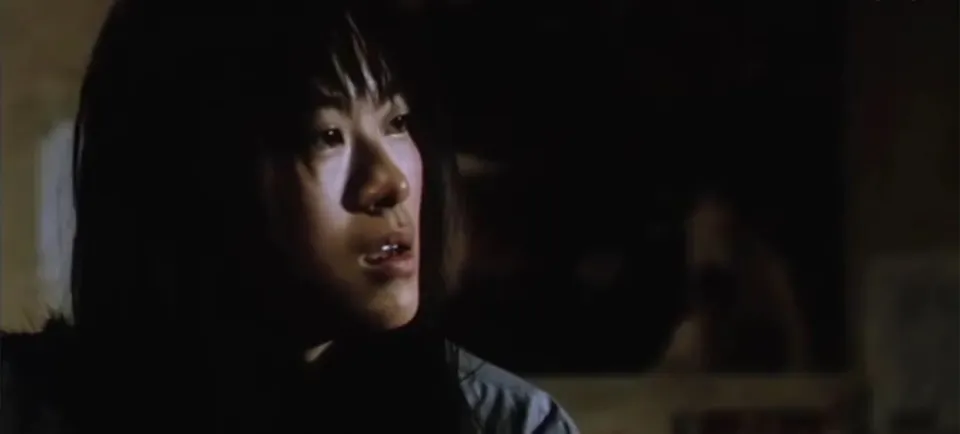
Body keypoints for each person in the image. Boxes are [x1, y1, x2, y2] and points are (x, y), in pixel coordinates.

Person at [68, 1, 578, 433]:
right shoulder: (48, 411)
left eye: (397, 122)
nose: (391, 184)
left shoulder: (508, 423)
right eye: (327, 135)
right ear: (197, 170)